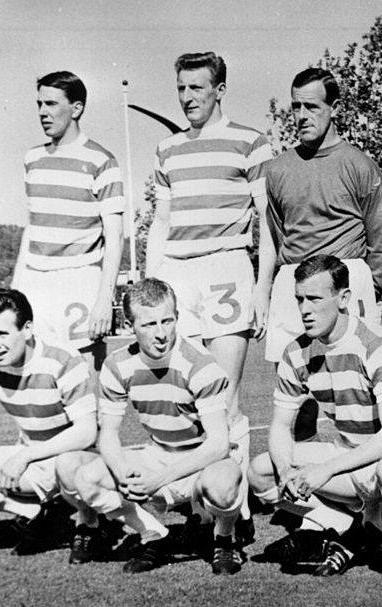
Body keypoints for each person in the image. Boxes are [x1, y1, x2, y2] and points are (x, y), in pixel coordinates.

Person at [146, 52, 273, 541]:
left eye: (197, 88)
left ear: (219, 89)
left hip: (226, 266)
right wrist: (152, 285)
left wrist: (261, 287)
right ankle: (204, 509)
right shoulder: (167, 149)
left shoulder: (250, 142)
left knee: (227, 396)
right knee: (189, 394)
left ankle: (233, 516)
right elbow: (160, 222)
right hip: (178, 268)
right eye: (181, 88)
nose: (187, 97)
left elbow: (267, 223)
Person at [56, 278, 246, 575]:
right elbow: (107, 434)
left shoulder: (200, 365)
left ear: (177, 318)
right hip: (157, 454)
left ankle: (224, 537)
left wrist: (158, 480)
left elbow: (218, 444)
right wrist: (122, 475)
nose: (161, 334)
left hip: (201, 460)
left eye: (167, 321)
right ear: (130, 324)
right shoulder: (117, 365)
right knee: (88, 477)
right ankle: (153, 533)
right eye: (148, 325)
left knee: (222, 485)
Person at [248, 255, 382, 576]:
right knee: (261, 471)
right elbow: (280, 425)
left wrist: (324, 470)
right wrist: (285, 470)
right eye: (299, 299)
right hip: (349, 455)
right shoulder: (296, 351)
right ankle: (349, 525)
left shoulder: (379, 346)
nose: (305, 309)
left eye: (315, 298)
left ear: (344, 298)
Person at [0, 289, 98, 557]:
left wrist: (25, 456)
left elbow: (86, 432)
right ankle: (38, 514)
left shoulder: (62, 359)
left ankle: (87, 520)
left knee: (73, 470)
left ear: (27, 329)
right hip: (30, 454)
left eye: (2, 333)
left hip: (73, 458)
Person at [262, 68, 382, 370]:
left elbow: (379, 234)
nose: (302, 115)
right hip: (294, 280)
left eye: (312, 106)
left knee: (357, 380)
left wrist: (377, 287)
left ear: (334, 108)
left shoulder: (359, 165)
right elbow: (278, 230)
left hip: (347, 278)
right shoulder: (278, 169)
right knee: (292, 385)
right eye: (296, 106)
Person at [12, 70, 124, 370]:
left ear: (77, 108)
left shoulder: (102, 161)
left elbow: (115, 238)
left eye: (50, 104)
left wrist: (105, 298)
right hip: (36, 283)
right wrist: (16, 288)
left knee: (85, 384)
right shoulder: (32, 159)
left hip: (79, 280)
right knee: (38, 379)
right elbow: (32, 227)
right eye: (39, 104)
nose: (42, 113)